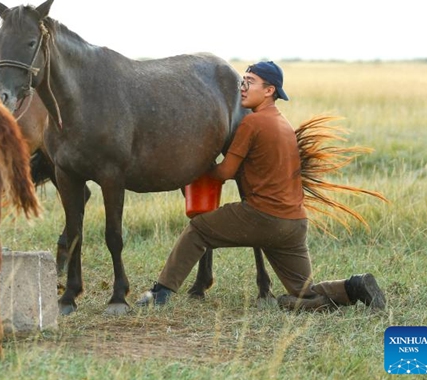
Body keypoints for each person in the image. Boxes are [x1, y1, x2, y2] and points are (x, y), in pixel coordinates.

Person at [136, 61, 386, 312]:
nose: (242, 88)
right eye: (242, 82)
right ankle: (354, 286)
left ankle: (160, 294)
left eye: (249, 82)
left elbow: (225, 172)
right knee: (304, 292)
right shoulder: (284, 125)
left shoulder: (252, 123)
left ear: (269, 90)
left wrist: (196, 168)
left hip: (264, 218)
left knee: (198, 231)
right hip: (294, 224)